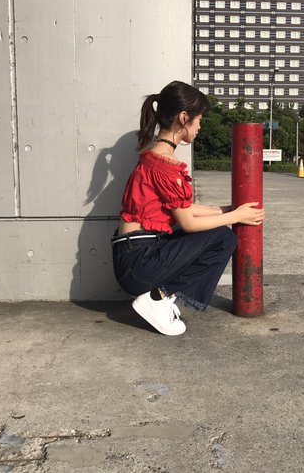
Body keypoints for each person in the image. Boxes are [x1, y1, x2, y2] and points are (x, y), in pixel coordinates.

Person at [111, 81, 265, 336]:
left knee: (219, 232)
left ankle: (160, 297)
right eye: (199, 120)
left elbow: (186, 208)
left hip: (135, 257)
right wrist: (236, 216)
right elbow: (189, 223)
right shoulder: (166, 166)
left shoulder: (153, 158)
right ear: (184, 118)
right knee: (223, 238)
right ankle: (159, 297)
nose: (200, 126)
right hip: (139, 264)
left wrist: (227, 209)